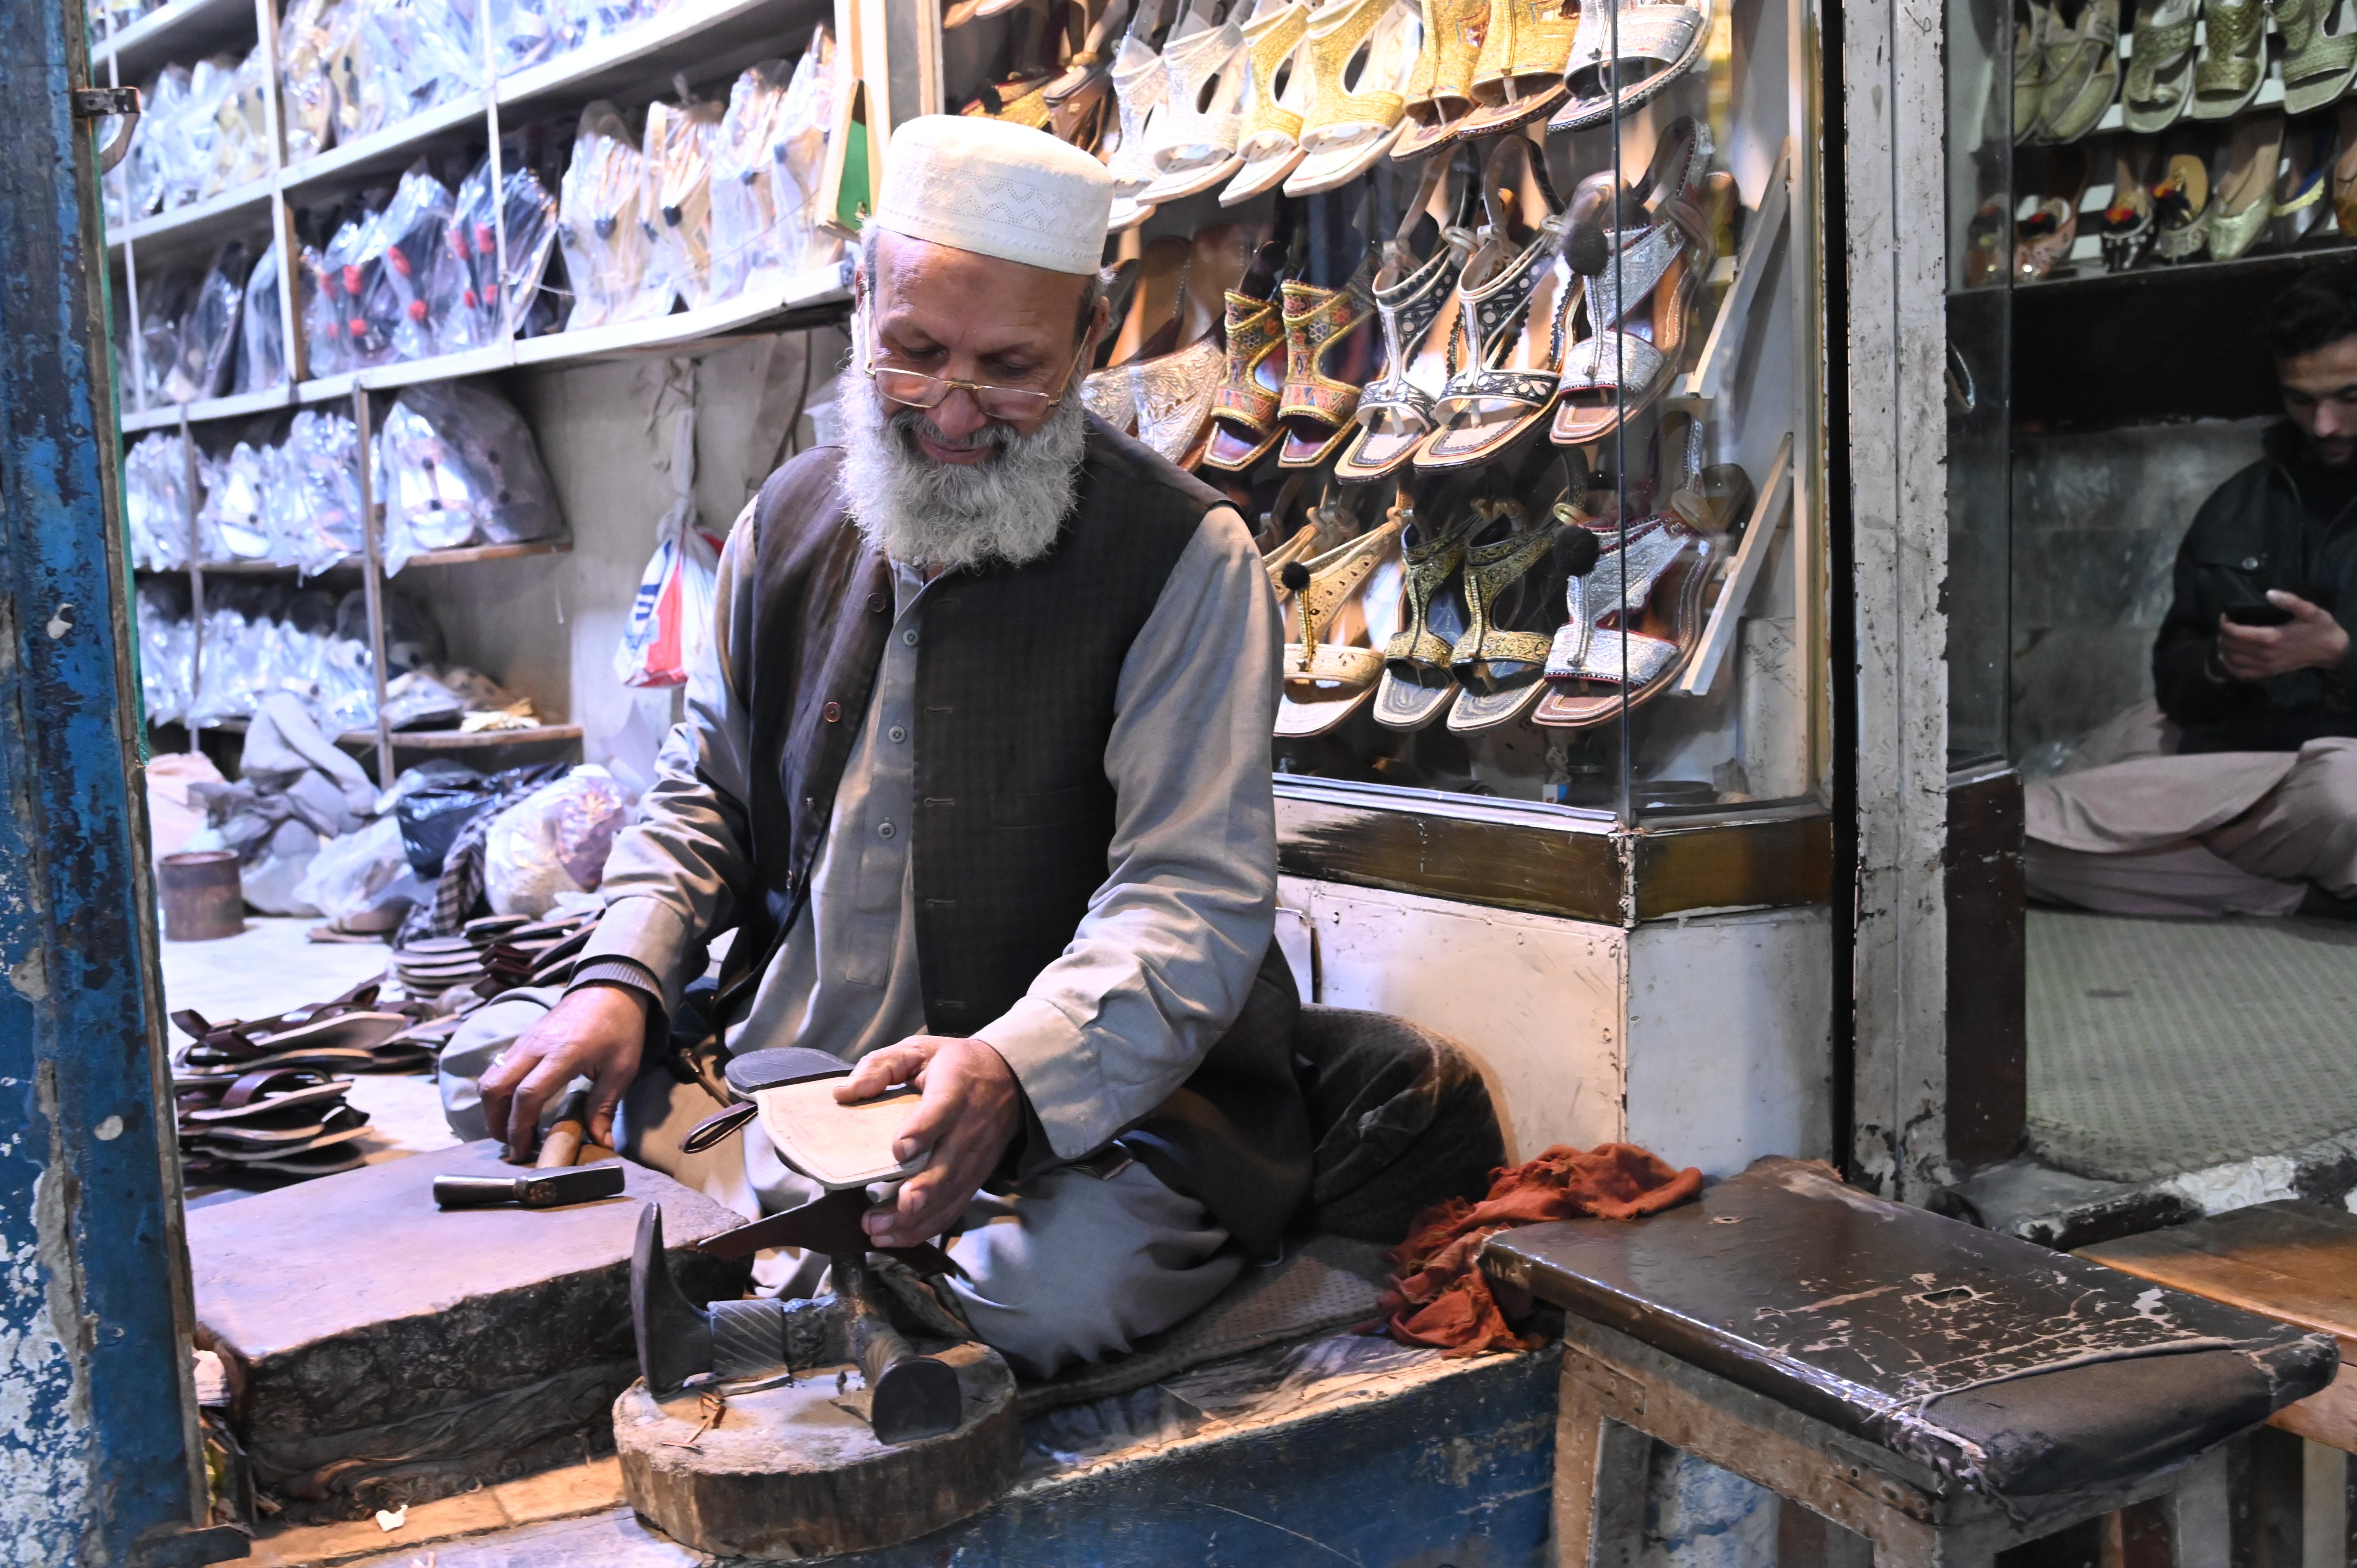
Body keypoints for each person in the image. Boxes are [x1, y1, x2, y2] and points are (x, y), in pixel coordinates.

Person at [466, 116, 1308, 1377]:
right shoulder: (790, 517)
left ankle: (777, 1288)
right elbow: (701, 795)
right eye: (913, 354)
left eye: (1009, 368)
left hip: (1066, 1112)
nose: (955, 413)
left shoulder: (1185, 558)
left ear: (1088, 339)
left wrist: (1015, 1071)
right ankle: (809, 1273)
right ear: (860, 302)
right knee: (502, 1063)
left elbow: (1185, 898)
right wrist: (619, 976)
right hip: (794, 1064)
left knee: (1050, 1293)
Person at [2025, 266, 2357, 917]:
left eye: (2351, 397)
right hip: (2234, 763)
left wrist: (2339, 656)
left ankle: (2223, 857)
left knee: (2345, 795)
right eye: (2301, 400)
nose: (2324, 425)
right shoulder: (2237, 508)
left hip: (2329, 774)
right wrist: (2218, 662)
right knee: (2007, 828)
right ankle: (2294, 886)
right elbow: (2175, 679)